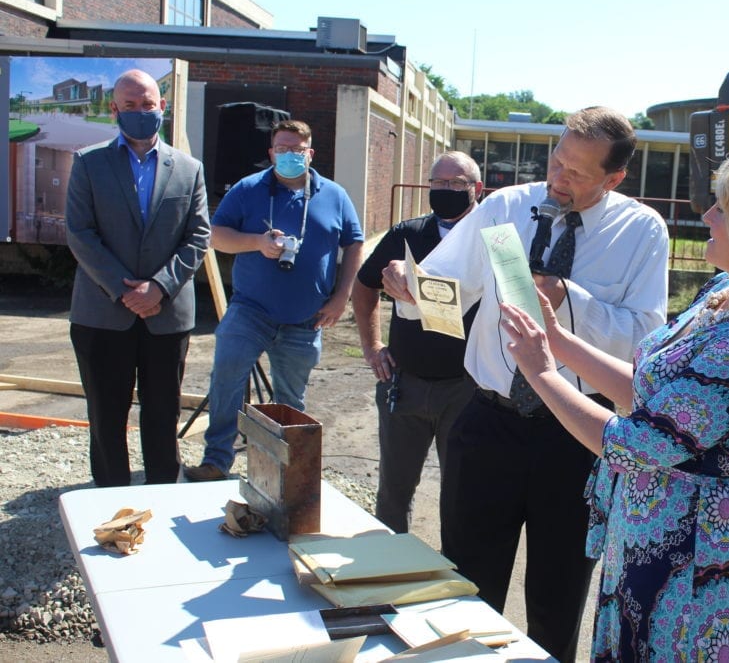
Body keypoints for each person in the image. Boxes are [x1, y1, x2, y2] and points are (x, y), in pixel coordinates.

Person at [499, 138, 729, 660]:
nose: (707, 216)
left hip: (688, 565)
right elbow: (649, 391)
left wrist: (543, 372)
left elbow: (638, 444)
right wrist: (559, 341)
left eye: (723, 207)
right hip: (646, 544)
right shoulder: (720, 295)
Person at [381, 107, 670, 661]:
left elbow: (644, 340)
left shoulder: (641, 231)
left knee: (558, 595)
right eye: (557, 161)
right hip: (488, 420)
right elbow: (447, 288)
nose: (558, 178)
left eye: (577, 173)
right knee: (466, 583)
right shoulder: (505, 207)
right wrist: (409, 287)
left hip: (577, 434)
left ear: (614, 178)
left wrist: (568, 300)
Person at [184, 119, 364, 482]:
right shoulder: (248, 189)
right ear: (271, 152)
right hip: (250, 311)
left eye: (297, 150)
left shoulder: (334, 195)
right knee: (227, 375)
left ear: (310, 154)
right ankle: (216, 460)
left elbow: (354, 243)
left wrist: (342, 296)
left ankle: (284, 474)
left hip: (306, 318)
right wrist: (257, 243)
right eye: (282, 149)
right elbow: (216, 235)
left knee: (290, 400)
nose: (290, 156)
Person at [65, 69, 210, 488]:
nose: (140, 111)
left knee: (163, 412)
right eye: (130, 105)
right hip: (103, 313)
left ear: (162, 106)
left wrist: (159, 287)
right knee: (106, 414)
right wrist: (123, 289)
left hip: (167, 315)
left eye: (147, 104)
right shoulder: (88, 163)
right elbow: (80, 232)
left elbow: (198, 236)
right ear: (114, 109)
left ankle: (162, 491)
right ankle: (110, 496)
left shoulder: (189, 168)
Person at [353, 151, 483, 533]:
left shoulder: (489, 238)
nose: (445, 189)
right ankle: (391, 558)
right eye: (437, 182)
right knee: (393, 491)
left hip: (466, 389)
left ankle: (456, 563)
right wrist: (372, 347)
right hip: (404, 384)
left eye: (455, 183)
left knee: (462, 492)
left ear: (476, 188)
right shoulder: (407, 234)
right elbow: (364, 285)